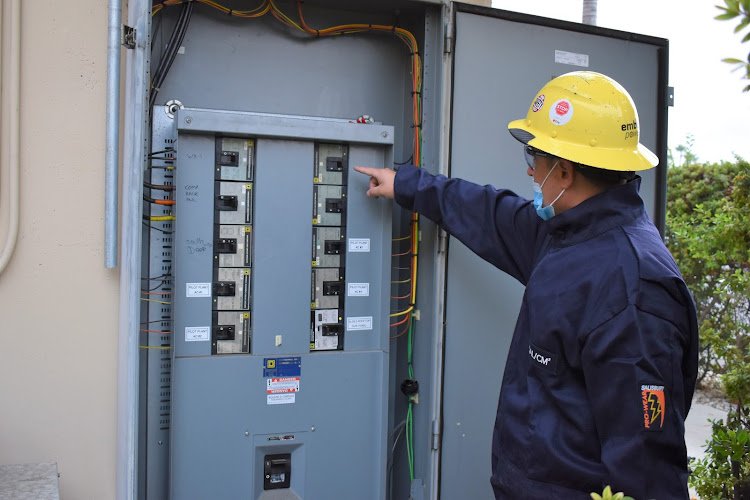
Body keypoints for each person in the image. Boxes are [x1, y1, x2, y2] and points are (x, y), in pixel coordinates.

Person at [355, 71, 698, 499]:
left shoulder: (632, 290)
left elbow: (647, 470)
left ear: (565, 171)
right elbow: (490, 213)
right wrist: (407, 185)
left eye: (534, 156)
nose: (531, 170)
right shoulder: (565, 235)